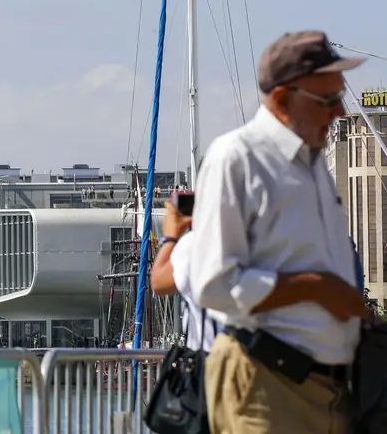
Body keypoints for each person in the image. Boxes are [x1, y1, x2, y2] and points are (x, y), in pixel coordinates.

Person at [188, 30, 372, 433]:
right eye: (328, 100)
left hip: (330, 389)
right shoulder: (237, 159)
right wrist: (314, 287)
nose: (340, 112)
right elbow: (213, 284)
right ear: (283, 99)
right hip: (266, 382)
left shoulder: (313, 164)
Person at [150, 197, 224, 352]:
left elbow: (158, 282)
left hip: (208, 355)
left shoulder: (194, 245)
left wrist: (171, 237)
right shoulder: (255, 241)